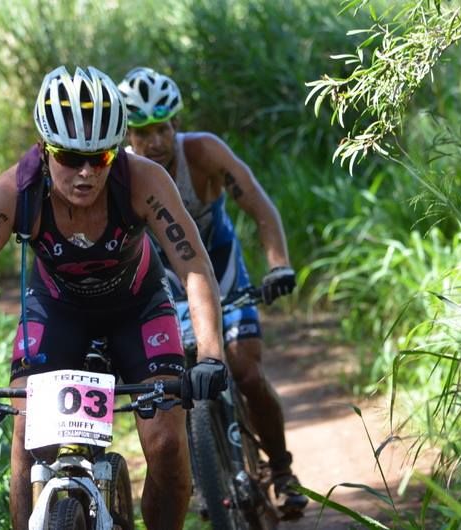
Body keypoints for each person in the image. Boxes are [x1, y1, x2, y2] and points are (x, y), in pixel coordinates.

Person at [0, 65, 228, 530]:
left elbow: (193, 264)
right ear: (44, 148)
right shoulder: (15, 191)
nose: (84, 173)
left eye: (99, 159)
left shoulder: (143, 179)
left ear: (116, 152)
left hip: (137, 307)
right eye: (68, 157)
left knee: (165, 444)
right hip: (57, 310)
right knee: (26, 438)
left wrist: (212, 355)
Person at [118, 67, 308, 518]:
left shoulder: (203, 153)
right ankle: (206, 473)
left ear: (176, 126)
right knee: (177, 383)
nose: (155, 142)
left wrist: (278, 264)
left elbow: (259, 205)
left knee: (243, 369)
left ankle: (281, 471)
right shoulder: (121, 173)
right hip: (162, 278)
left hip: (220, 267)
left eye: (162, 128)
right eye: (143, 133)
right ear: (129, 135)